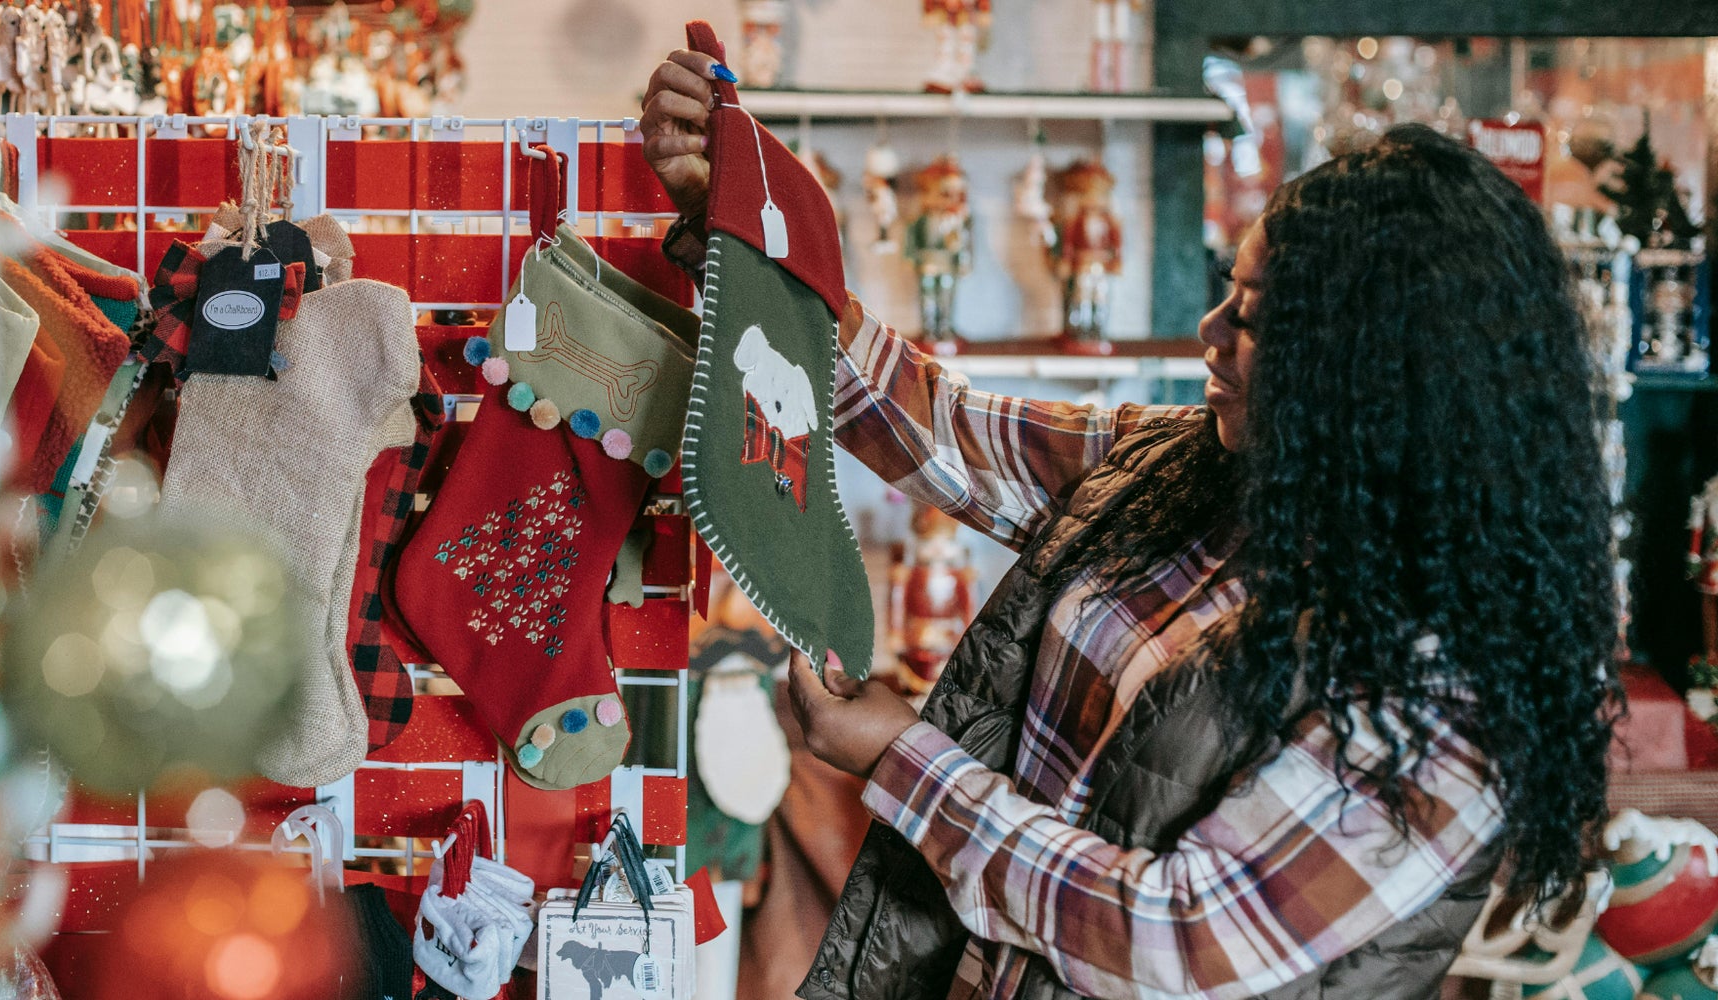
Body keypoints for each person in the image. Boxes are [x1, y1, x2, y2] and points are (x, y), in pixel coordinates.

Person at [640, 49, 1621, 1000]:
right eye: (1225, 294)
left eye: (1257, 318)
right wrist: (732, 215)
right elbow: (940, 428)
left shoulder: (1445, 689)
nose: (1210, 331)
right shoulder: (1190, 470)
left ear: (1383, 370)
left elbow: (1175, 941)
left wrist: (904, 762)